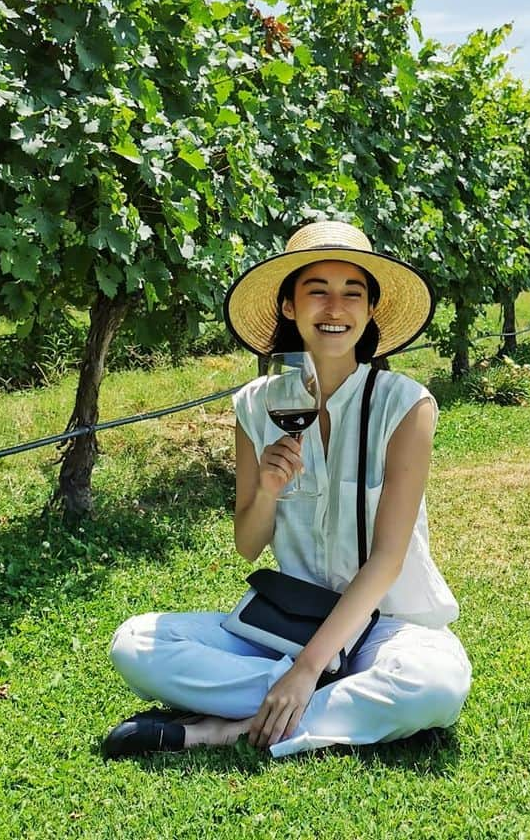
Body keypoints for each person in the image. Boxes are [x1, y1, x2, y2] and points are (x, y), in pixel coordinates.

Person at [104, 221, 471, 759]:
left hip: (387, 625)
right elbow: (249, 543)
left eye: (353, 293)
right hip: (290, 623)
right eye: (316, 290)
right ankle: (326, 705)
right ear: (288, 306)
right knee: (135, 644)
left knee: (435, 688)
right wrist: (269, 489)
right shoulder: (256, 405)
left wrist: (304, 671)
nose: (335, 307)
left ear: (370, 311)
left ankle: (225, 728)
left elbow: (388, 560)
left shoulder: (404, 405)